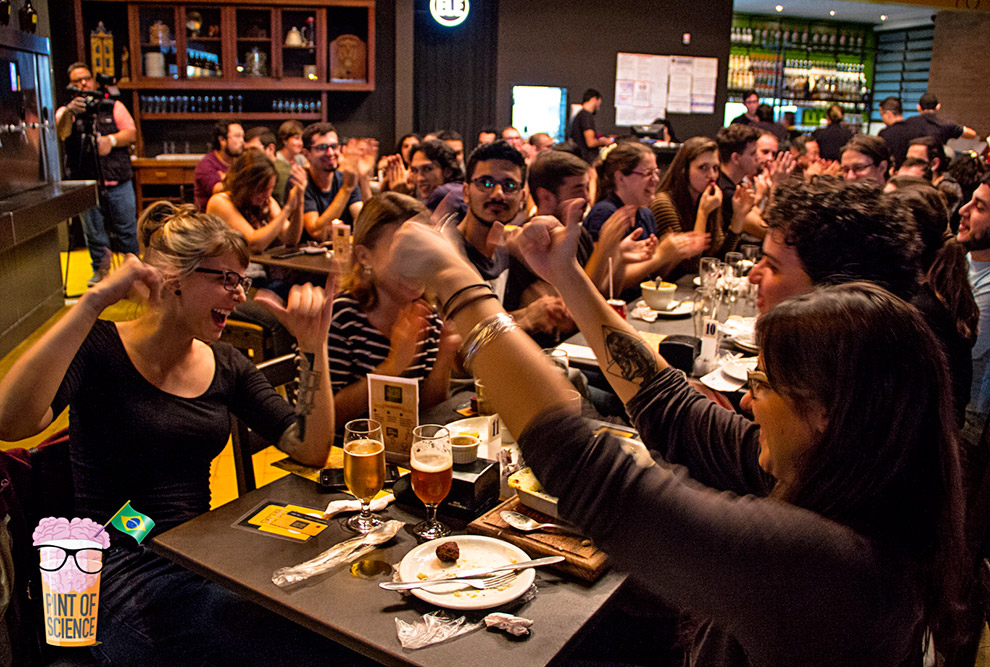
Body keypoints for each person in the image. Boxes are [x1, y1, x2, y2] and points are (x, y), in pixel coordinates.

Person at [382, 209, 965, 667]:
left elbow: (597, 477)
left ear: (825, 414)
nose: (744, 399)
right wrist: (566, 274)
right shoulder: (847, 475)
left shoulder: (829, 566)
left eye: (762, 382)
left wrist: (456, 284)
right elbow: (669, 403)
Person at [0, 205, 354, 664]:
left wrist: (313, 348)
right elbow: (12, 421)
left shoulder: (226, 363)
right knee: (291, 640)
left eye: (241, 281)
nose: (238, 294)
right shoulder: (101, 346)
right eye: (226, 278)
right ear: (176, 277)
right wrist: (91, 303)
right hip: (117, 567)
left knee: (313, 619)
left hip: (198, 556)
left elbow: (308, 446)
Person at [750, 177, 972, 424]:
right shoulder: (868, 347)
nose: (753, 276)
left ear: (831, 294)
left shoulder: (858, 393)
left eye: (772, 266)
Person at [328, 193, 458, 425]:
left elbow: (430, 410)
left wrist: (445, 354)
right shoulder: (340, 318)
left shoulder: (427, 316)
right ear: (364, 256)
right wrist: (393, 366)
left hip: (405, 453)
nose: (416, 263)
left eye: (421, 250)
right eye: (402, 251)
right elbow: (325, 419)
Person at [55, 62, 140, 286]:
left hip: (117, 178)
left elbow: (131, 133)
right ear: (70, 85)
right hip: (86, 182)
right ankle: (101, 273)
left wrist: (111, 140)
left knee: (126, 229)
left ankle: (134, 273)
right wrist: (71, 112)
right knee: (94, 234)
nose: (83, 83)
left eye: (86, 78)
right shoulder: (66, 111)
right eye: (77, 81)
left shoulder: (112, 105)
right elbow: (62, 133)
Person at [585, 142, 707, 292]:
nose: (656, 179)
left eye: (656, 172)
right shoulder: (605, 213)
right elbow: (607, 282)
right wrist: (660, 256)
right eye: (648, 173)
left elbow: (653, 274)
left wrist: (674, 253)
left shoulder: (645, 214)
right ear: (620, 178)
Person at [650, 137, 743, 278]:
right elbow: (690, 265)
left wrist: (739, 216)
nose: (711, 175)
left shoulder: (706, 199)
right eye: (703, 168)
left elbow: (720, 260)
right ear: (684, 170)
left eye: (715, 168)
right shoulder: (664, 203)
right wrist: (703, 213)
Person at [205, 148, 303, 254]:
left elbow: (290, 239)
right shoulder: (219, 202)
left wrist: (299, 203)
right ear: (245, 184)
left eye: (271, 188)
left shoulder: (266, 201)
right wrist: (287, 209)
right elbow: (253, 244)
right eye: (262, 189)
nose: (267, 195)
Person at [300, 121, 370, 239]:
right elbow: (316, 232)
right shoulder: (301, 181)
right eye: (322, 148)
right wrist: (346, 189)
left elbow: (364, 223)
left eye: (333, 146)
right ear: (307, 154)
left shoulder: (343, 179)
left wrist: (363, 178)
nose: (330, 153)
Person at [958, 174, 990, 428]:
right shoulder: (966, 258)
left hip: (970, 413)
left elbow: (967, 347)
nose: (963, 210)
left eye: (979, 207)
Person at [715, 124, 762, 237]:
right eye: (752, 153)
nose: (758, 158)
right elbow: (764, 230)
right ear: (735, 158)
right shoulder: (725, 192)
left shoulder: (738, 184)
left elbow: (761, 218)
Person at [194, 121, 244, 211]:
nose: (242, 141)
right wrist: (241, 179)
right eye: (237, 136)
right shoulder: (206, 164)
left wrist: (226, 179)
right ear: (222, 140)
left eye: (242, 137)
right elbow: (217, 190)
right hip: (210, 220)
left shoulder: (240, 161)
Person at [408, 139, 465, 212]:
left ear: (447, 172)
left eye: (427, 169)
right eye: (414, 170)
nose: (419, 178)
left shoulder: (444, 193)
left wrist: (400, 194)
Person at [568, 88, 612, 164]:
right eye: (599, 102)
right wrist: (604, 141)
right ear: (594, 99)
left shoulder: (580, 115)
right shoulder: (586, 116)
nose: (599, 105)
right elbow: (590, 142)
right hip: (587, 160)